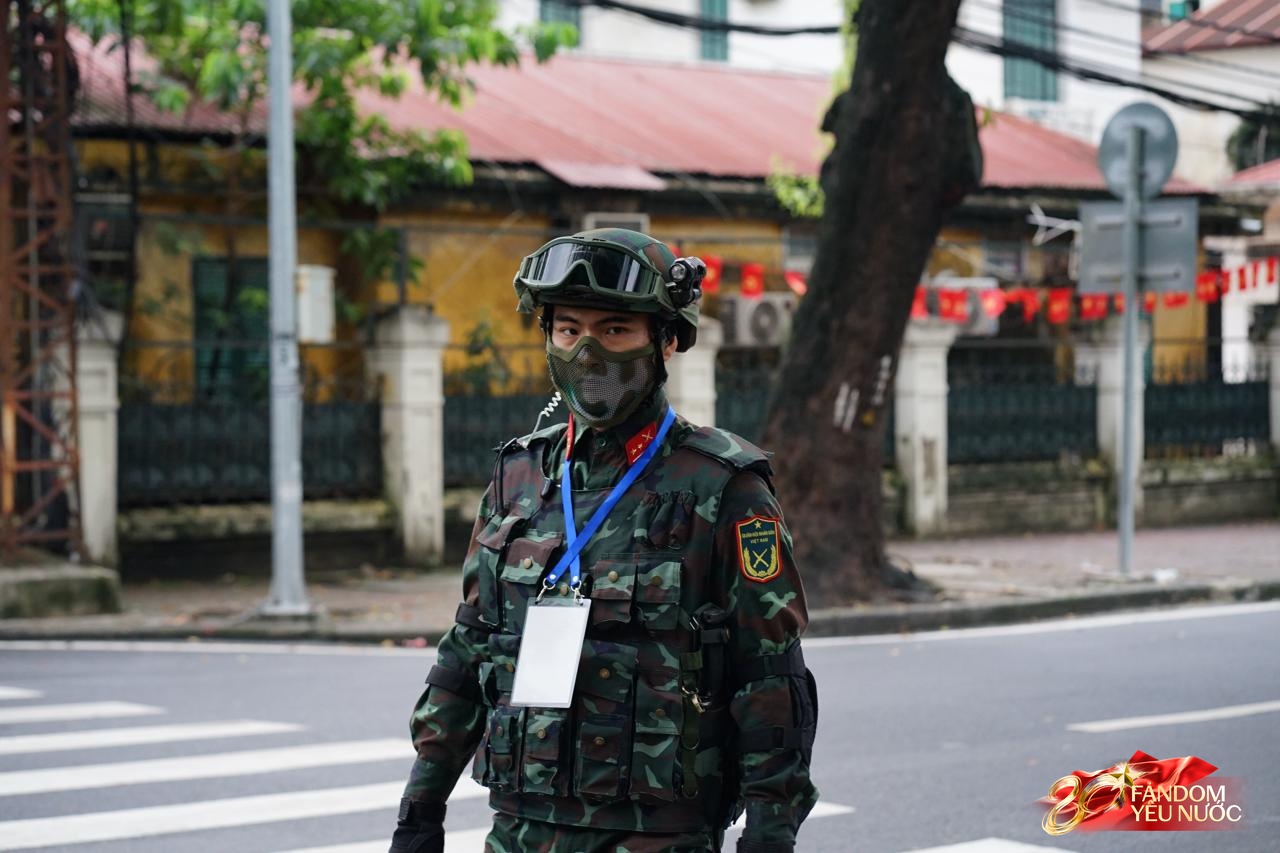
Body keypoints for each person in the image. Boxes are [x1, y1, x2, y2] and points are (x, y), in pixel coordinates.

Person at [388, 228, 819, 853]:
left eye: (614, 330)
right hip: (519, 827)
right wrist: (420, 809)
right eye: (568, 329)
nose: (587, 350)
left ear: (666, 340)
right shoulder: (519, 477)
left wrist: (770, 834)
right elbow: (468, 652)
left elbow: (771, 680)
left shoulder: (723, 487)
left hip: (656, 835)